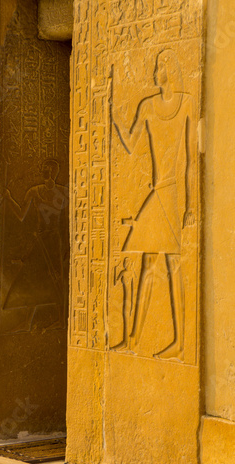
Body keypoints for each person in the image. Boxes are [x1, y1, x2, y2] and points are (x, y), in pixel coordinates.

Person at [111, 49, 195, 361]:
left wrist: (190, 206)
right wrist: (115, 115)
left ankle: (179, 340)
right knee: (147, 265)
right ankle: (132, 337)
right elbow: (132, 144)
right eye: (158, 65)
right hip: (156, 191)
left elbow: (188, 161)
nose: (158, 70)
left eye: (163, 65)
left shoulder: (186, 102)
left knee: (173, 266)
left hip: (171, 193)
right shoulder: (147, 106)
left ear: (172, 70)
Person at [3, 159, 69, 332]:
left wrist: (69, 247)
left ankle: (62, 321)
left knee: (57, 280)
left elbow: (68, 222)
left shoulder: (63, 192)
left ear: (56, 172)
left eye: (51, 169)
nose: (47, 172)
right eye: (45, 169)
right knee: (31, 279)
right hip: (41, 241)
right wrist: (9, 199)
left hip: (54, 241)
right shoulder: (34, 191)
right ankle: (27, 322)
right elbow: (21, 215)